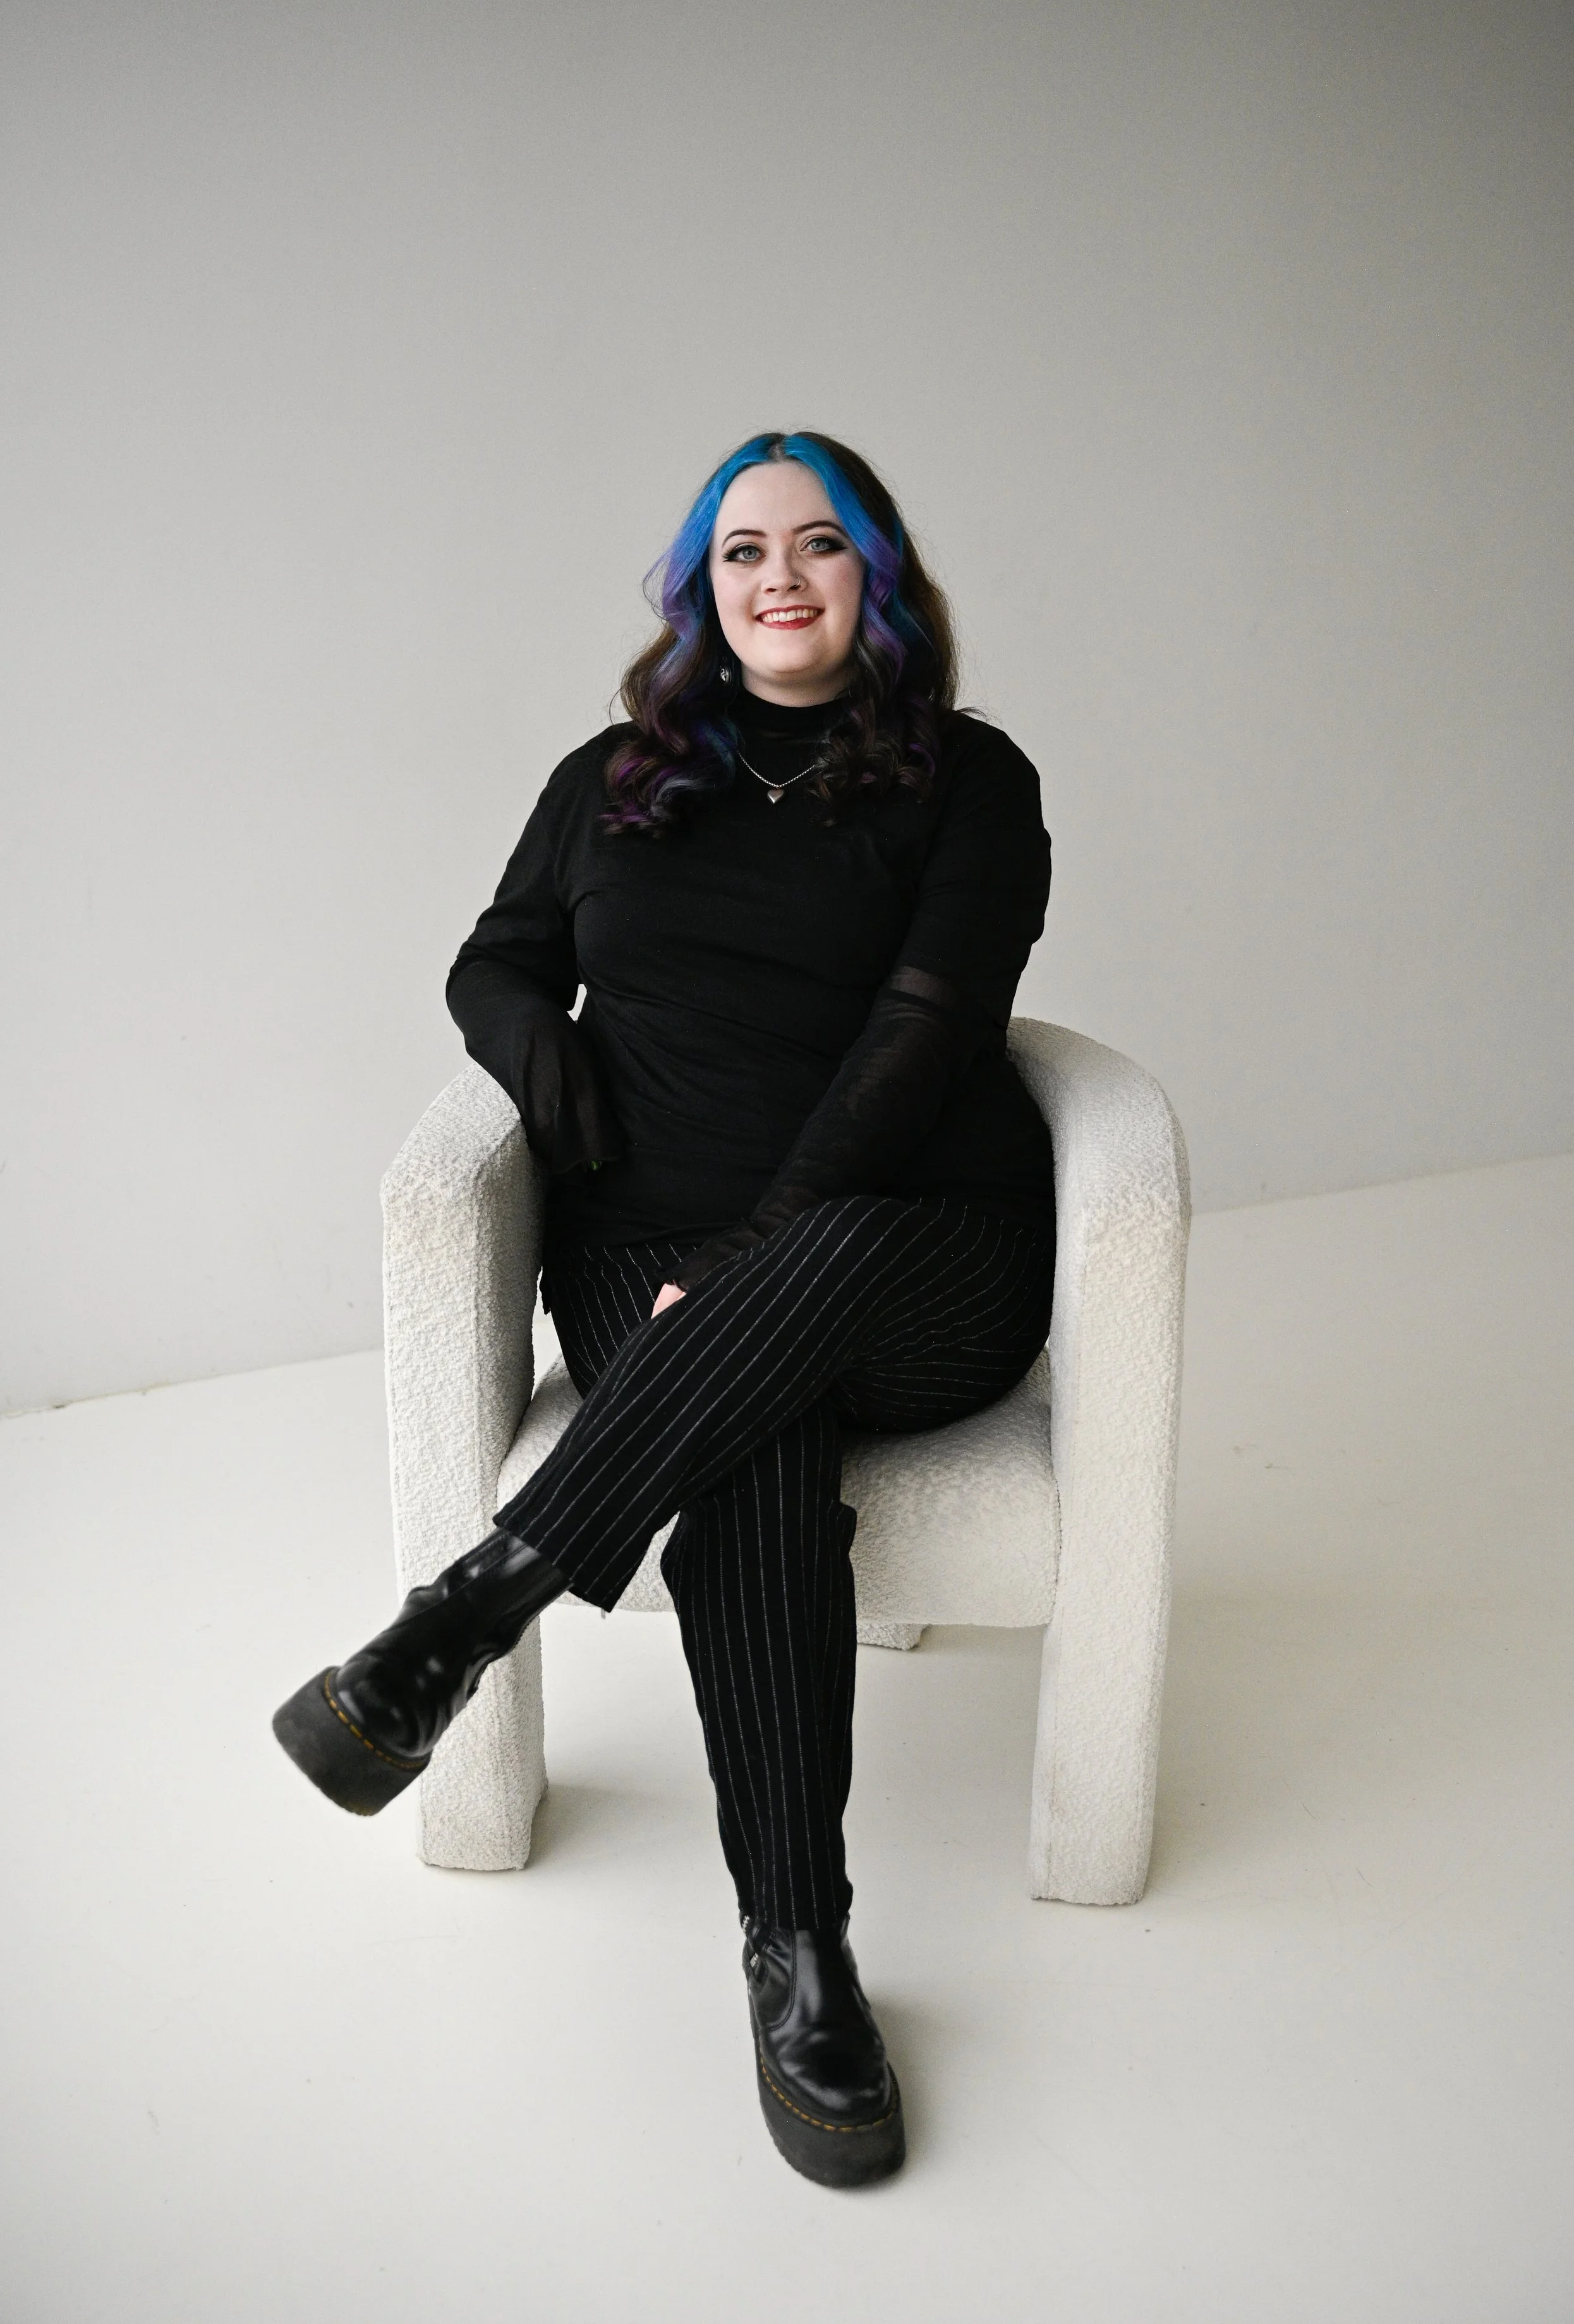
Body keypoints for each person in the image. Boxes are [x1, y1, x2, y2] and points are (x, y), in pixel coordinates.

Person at [273, 431, 1055, 2188]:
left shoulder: (971, 783)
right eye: (740, 552)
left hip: (912, 1248)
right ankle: (800, 1951)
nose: (778, 578)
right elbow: (494, 952)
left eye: (818, 545)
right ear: (703, 589)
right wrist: (543, 1066)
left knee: (809, 1291)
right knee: (751, 1451)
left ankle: (462, 1616)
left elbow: (919, 1042)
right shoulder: (615, 774)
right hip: (646, 1251)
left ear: (878, 575)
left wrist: (771, 1240)